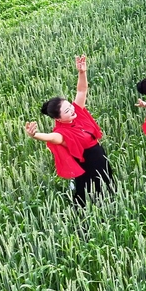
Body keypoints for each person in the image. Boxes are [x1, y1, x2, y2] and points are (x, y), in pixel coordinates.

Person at [24, 55, 113, 207]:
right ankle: (81, 216)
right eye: (67, 110)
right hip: (86, 163)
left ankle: (110, 204)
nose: (72, 109)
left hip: (99, 154)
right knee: (85, 191)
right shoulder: (62, 133)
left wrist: (82, 72)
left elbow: (81, 90)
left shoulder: (77, 112)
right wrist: (35, 135)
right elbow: (51, 138)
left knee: (107, 180)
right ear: (58, 119)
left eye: (70, 106)